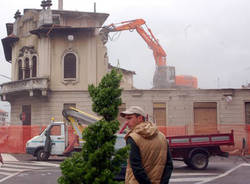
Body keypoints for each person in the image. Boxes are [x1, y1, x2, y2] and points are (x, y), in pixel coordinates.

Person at [120, 106, 173, 184]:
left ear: (140, 118)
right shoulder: (162, 136)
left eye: (129, 118)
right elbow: (169, 165)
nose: (126, 122)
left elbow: (136, 168)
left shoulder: (133, 138)